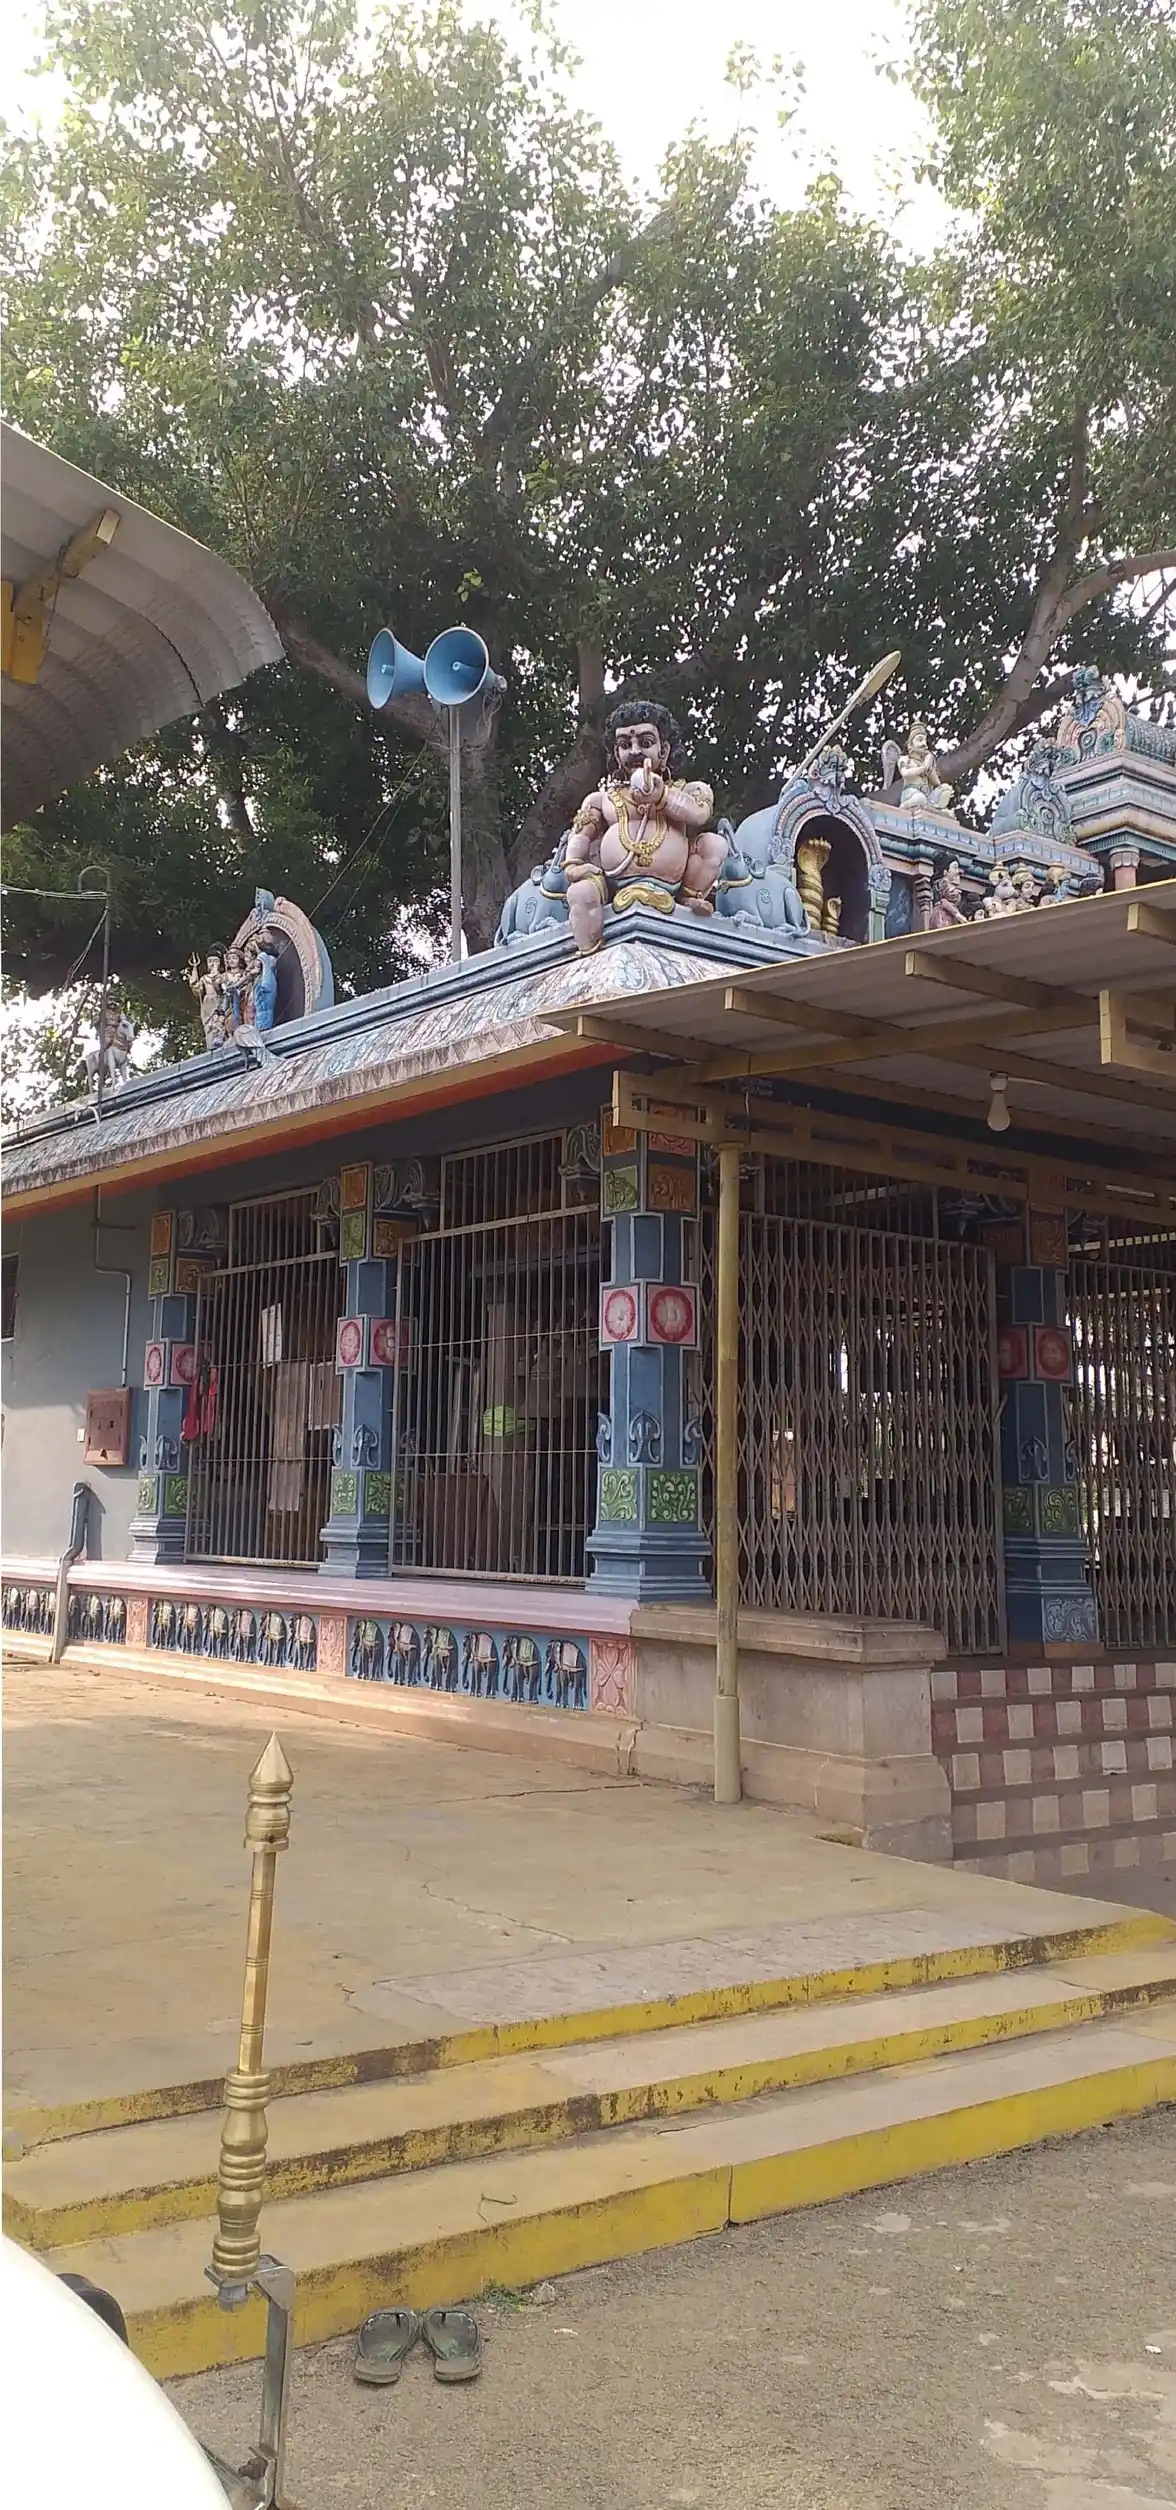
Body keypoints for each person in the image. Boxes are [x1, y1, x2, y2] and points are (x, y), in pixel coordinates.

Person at [563, 701, 727, 954]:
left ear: (664, 750)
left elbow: (699, 814)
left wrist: (662, 797)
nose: (635, 751)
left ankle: (688, 898)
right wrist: (574, 864)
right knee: (580, 894)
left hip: (673, 884)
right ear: (616, 753)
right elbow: (581, 835)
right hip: (611, 884)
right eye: (625, 745)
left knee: (714, 845)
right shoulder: (602, 799)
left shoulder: (687, 790)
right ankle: (589, 958)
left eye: (646, 742)